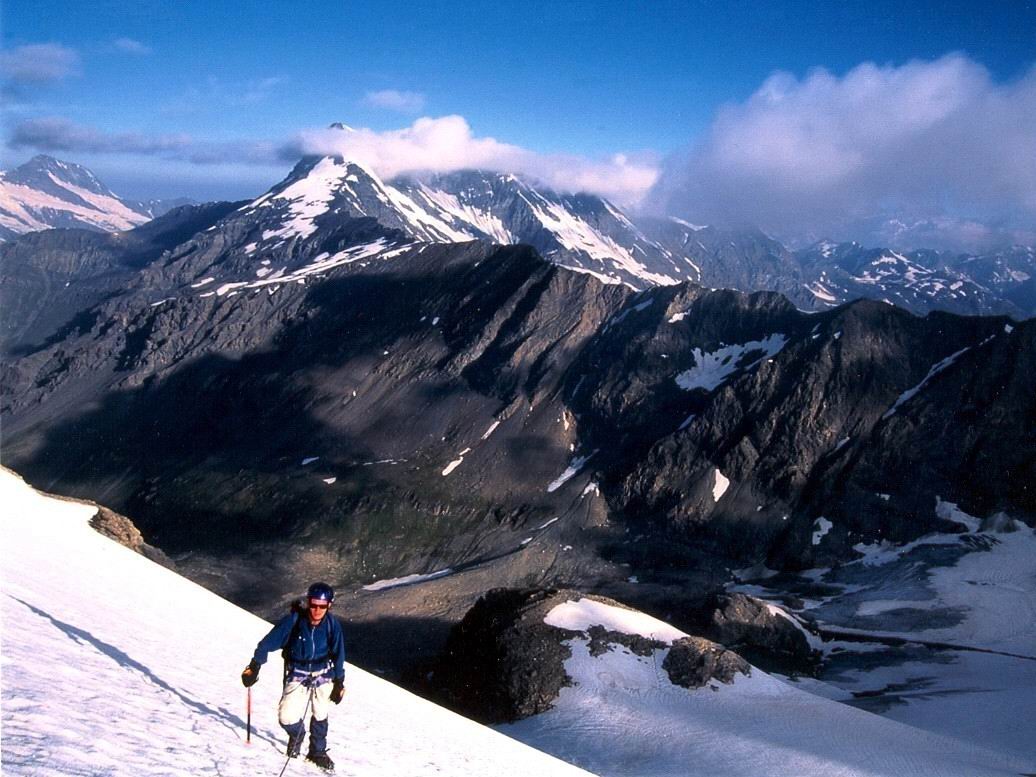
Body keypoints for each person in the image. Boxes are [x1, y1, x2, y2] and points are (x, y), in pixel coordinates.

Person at [241, 582, 346, 771]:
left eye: (322, 606)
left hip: (324, 674)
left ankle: (317, 752)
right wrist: (255, 666)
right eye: (313, 605)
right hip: (298, 674)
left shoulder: (332, 625)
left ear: (329, 605)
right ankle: (297, 735)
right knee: (286, 717)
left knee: (321, 713)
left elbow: (339, 653)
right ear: (308, 603)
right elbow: (267, 643)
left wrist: (339, 681)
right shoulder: (294, 621)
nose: (317, 610)